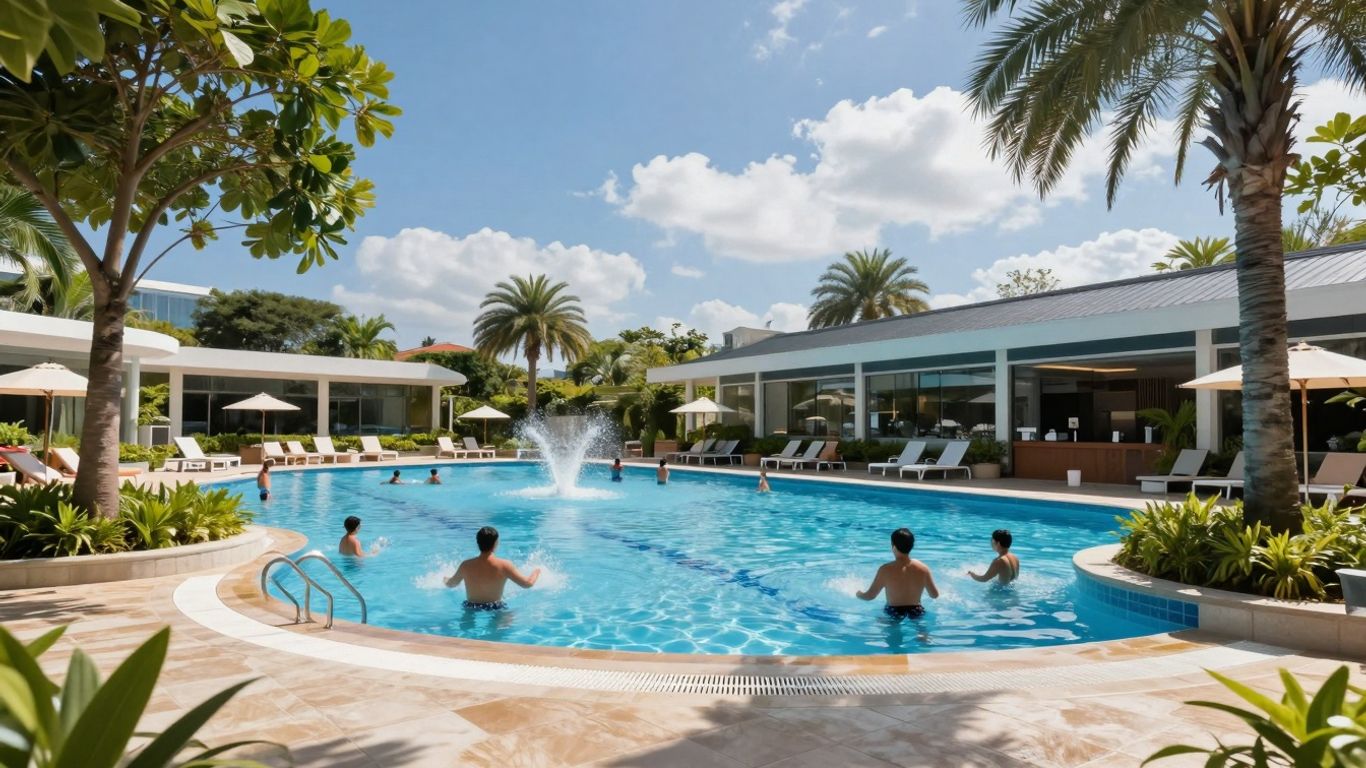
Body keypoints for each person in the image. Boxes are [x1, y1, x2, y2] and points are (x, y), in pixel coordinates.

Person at [444, 526, 541, 610]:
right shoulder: (504, 565)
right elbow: (527, 584)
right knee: (508, 620)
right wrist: (537, 571)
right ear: (495, 543)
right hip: (495, 607)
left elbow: (452, 584)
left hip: (471, 606)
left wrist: (444, 579)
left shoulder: (466, 565)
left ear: (478, 543)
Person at [856, 528, 939, 619]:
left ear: (893, 546)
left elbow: (870, 596)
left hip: (893, 611)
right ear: (912, 546)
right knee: (921, 629)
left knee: (881, 622)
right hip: (917, 610)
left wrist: (858, 594)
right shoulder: (923, 568)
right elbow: (934, 595)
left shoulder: (885, 569)